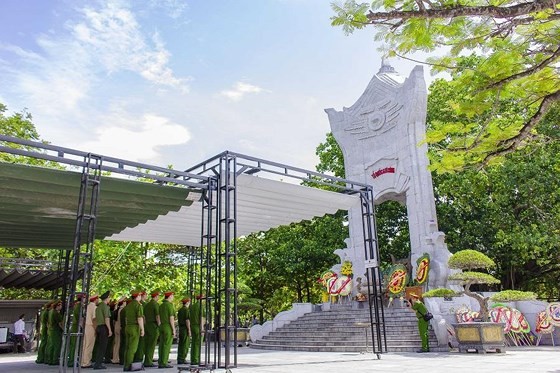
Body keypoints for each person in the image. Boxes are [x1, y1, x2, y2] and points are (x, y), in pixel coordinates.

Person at [123, 289, 145, 372]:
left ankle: (125, 364)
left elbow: (126, 318)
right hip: (134, 328)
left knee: (127, 347)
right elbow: (140, 318)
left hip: (128, 326)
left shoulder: (128, 306)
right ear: (138, 296)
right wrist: (142, 329)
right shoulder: (138, 305)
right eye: (140, 295)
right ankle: (128, 366)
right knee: (132, 348)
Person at [93, 291, 113, 370]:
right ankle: (98, 364)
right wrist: (110, 330)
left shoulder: (98, 306)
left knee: (99, 346)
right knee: (103, 346)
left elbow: (94, 319)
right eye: (109, 297)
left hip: (98, 327)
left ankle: (97, 362)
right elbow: (107, 319)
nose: (110, 299)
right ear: (107, 298)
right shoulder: (105, 307)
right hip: (104, 327)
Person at [142, 290, 161, 367]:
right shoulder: (155, 304)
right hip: (153, 325)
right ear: (156, 296)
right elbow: (157, 316)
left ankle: (146, 359)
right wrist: (159, 325)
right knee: (152, 344)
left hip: (147, 325)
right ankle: (148, 361)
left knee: (147, 343)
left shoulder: (147, 305)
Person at [158, 291, 176, 369]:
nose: (173, 297)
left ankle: (160, 361)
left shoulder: (161, 305)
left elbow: (158, 317)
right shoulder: (170, 306)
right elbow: (171, 318)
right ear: (170, 296)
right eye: (172, 296)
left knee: (161, 345)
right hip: (168, 326)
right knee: (166, 345)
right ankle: (164, 362)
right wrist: (173, 329)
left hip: (161, 326)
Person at [82, 294, 99, 368]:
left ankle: (83, 361)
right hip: (91, 327)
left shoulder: (87, 307)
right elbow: (94, 319)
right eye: (98, 299)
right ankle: (87, 363)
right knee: (89, 345)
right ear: (95, 299)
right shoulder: (94, 307)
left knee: (85, 345)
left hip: (86, 326)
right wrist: (96, 329)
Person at [68, 294, 84, 367]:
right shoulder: (79, 307)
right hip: (76, 326)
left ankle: (72, 360)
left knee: (73, 344)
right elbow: (80, 318)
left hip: (75, 326)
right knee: (74, 345)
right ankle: (71, 361)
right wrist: (82, 326)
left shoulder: (77, 306)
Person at [133, 290, 147, 365]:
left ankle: (136, 358)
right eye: (145, 294)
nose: (146, 296)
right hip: (140, 325)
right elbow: (142, 317)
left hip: (134, 325)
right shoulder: (142, 304)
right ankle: (139, 358)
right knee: (141, 343)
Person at [46, 300, 63, 365]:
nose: (61, 306)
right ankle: (55, 360)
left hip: (51, 330)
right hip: (56, 331)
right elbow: (60, 323)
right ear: (57, 306)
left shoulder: (50, 312)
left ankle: (50, 359)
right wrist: (64, 330)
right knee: (57, 346)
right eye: (60, 305)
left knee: (51, 345)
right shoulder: (56, 313)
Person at [189, 294, 204, 367]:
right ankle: (196, 360)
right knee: (198, 344)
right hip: (198, 326)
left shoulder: (192, 306)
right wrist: (202, 329)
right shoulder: (200, 306)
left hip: (192, 326)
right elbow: (201, 318)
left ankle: (193, 359)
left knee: (194, 344)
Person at [177, 297, 191, 365]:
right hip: (185, 328)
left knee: (181, 343)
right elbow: (187, 320)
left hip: (181, 328)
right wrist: (189, 330)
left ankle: (179, 358)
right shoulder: (186, 310)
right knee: (185, 344)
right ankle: (182, 358)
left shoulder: (180, 310)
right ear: (187, 302)